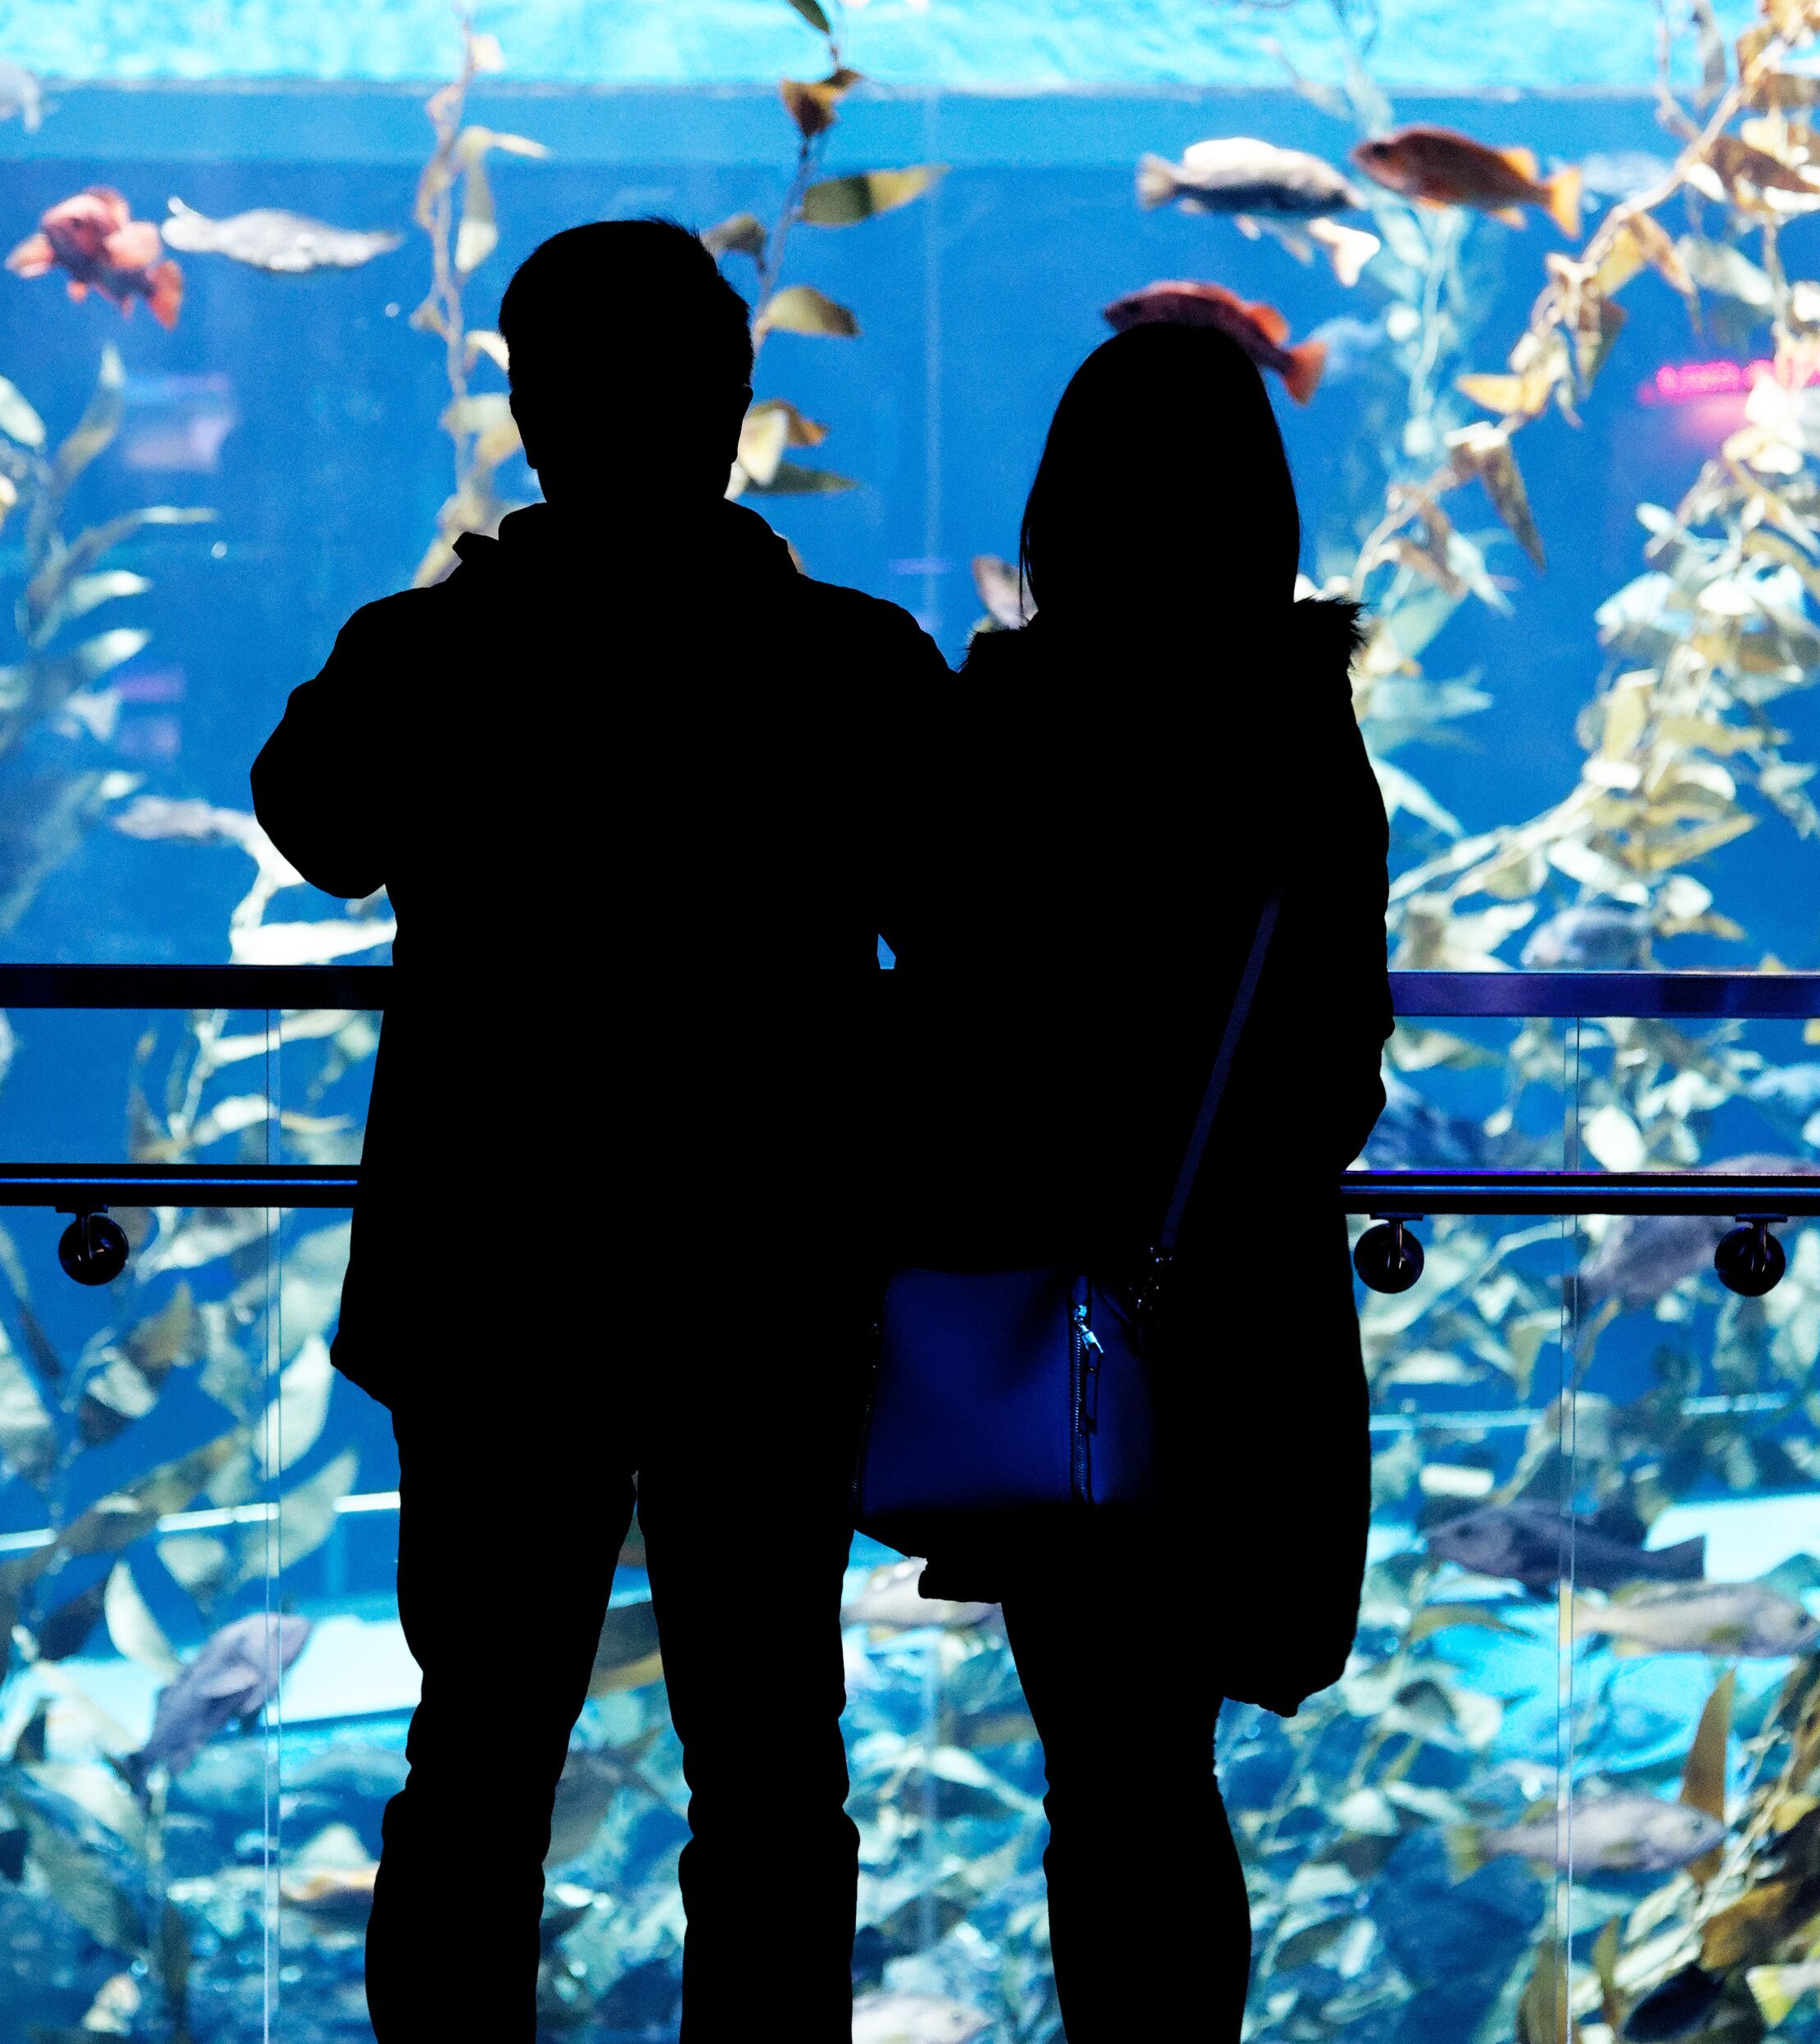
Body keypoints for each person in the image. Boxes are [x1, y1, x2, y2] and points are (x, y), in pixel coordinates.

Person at [249, 219, 949, 2040]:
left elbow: (310, 814)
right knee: (777, 1767)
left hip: (498, 1287)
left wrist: (474, 605)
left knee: (478, 1750)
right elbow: (965, 914)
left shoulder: (439, 657)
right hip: (769, 1289)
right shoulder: (852, 665)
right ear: (733, 405)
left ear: (531, 413)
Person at [894, 321, 1391, 2040]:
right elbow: (1338, 1072)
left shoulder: (1005, 723)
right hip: (1237, 1308)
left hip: (1053, 1301)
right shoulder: (1300, 731)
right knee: (1163, 1763)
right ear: (1259, 505)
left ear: (1064, 507)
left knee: (1103, 1765)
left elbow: (936, 1000)